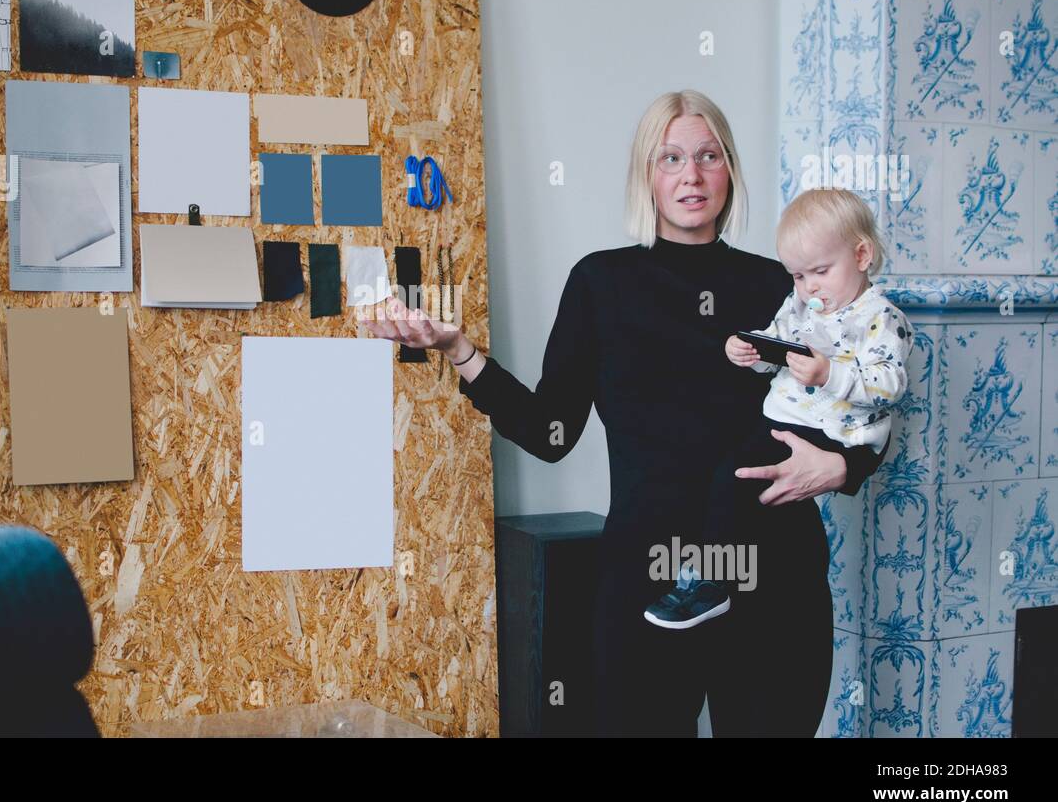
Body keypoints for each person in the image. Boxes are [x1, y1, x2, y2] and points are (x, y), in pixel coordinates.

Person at [364, 89, 890, 736]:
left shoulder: (783, 284)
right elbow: (549, 432)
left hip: (771, 577)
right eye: (670, 157)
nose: (691, 175)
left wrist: (841, 467)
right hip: (651, 576)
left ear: (730, 169)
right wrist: (461, 350)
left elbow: (870, 386)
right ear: (647, 173)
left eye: (708, 155)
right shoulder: (601, 285)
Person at [642, 186, 913, 630]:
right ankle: (713, 581)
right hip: (785, 420)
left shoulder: (881, 319)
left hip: (832, 433)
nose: (809, 288)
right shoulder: (803, 304)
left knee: (736, 483)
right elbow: (778, 341)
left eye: (820, 272)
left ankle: (711, 582)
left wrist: (829, 374)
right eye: (798, 276)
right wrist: (750, 350)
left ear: (862, 255)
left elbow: (889, 385)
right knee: (733, 486)